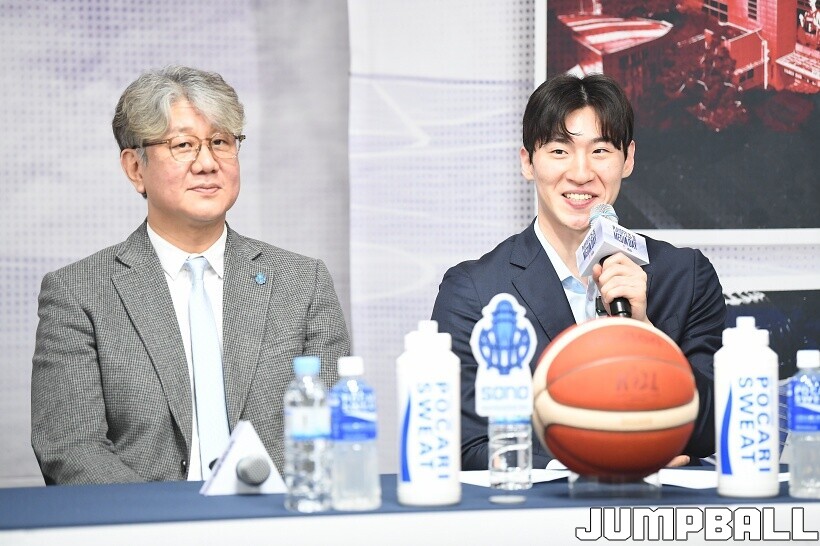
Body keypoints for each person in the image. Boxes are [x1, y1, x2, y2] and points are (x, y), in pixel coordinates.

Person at [31, 66, 350, 485]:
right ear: (135, 168)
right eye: (183, 145)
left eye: (221, 142)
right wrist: (165, 516)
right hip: (145, 517)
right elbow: (72, 447)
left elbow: (334, 432)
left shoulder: (302, 282)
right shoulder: (79, 293)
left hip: (278, 512)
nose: (207, 163)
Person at [431, 73, 726, 471]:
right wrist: (597, 463)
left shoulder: (685, 276)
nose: (581, 173)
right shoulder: (475, 291)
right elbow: (464, 445)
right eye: (559, 151)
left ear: (628, 159)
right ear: (527, 162)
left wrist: (644, 334)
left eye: (600, 150)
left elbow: (714, 427)